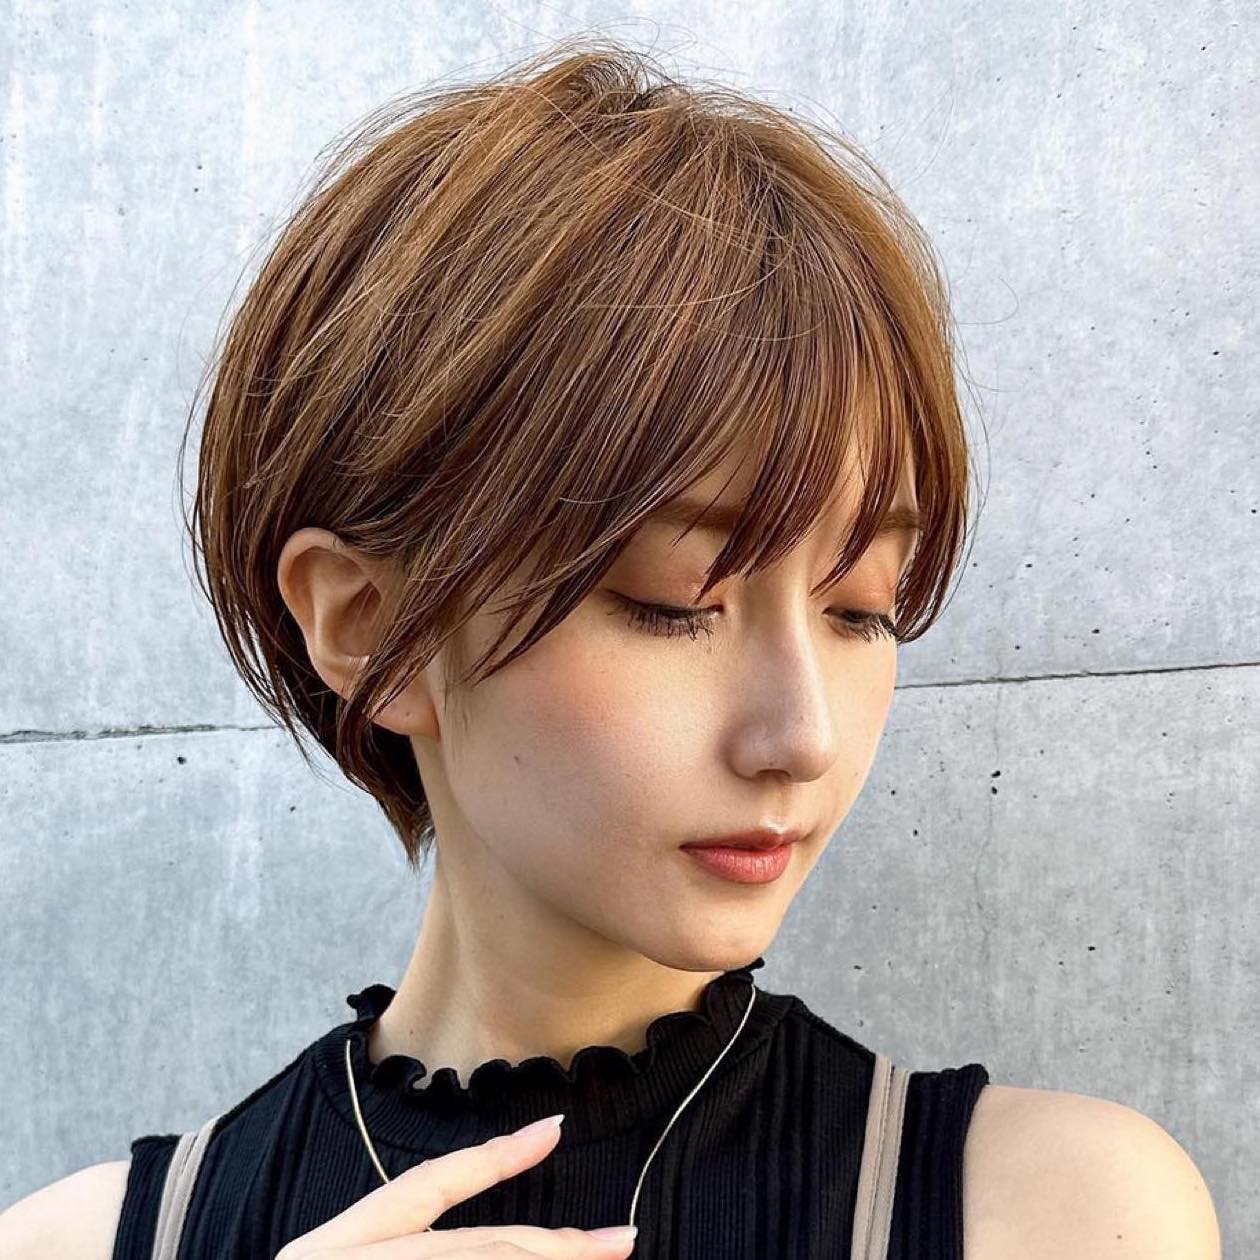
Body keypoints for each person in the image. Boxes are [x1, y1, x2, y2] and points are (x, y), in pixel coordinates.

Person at [3, 37, 1219, 1260]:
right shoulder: (82, 1241)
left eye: (861, 607)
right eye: (676, 601)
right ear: (367, 628)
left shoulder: (1054, 1214)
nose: (803, 735)